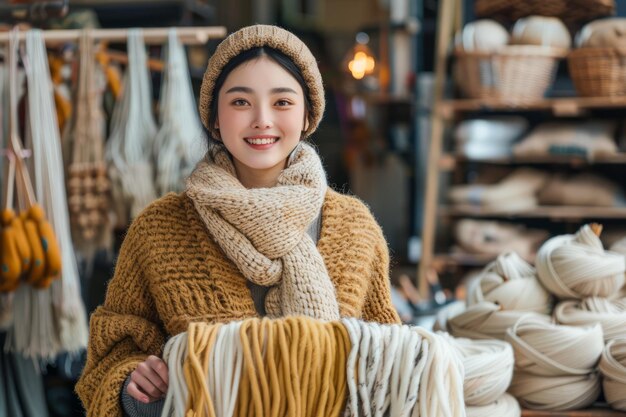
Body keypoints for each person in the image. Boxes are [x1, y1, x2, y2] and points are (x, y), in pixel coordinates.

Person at [75, 24, 400, 417]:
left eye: (282, 102)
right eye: (241, 102)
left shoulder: (354, 228)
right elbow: (111, 354)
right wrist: (133, 386)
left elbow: (389, 358)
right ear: (214, 117)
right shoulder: (160, 228)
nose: (262, 120)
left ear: (308, 114)